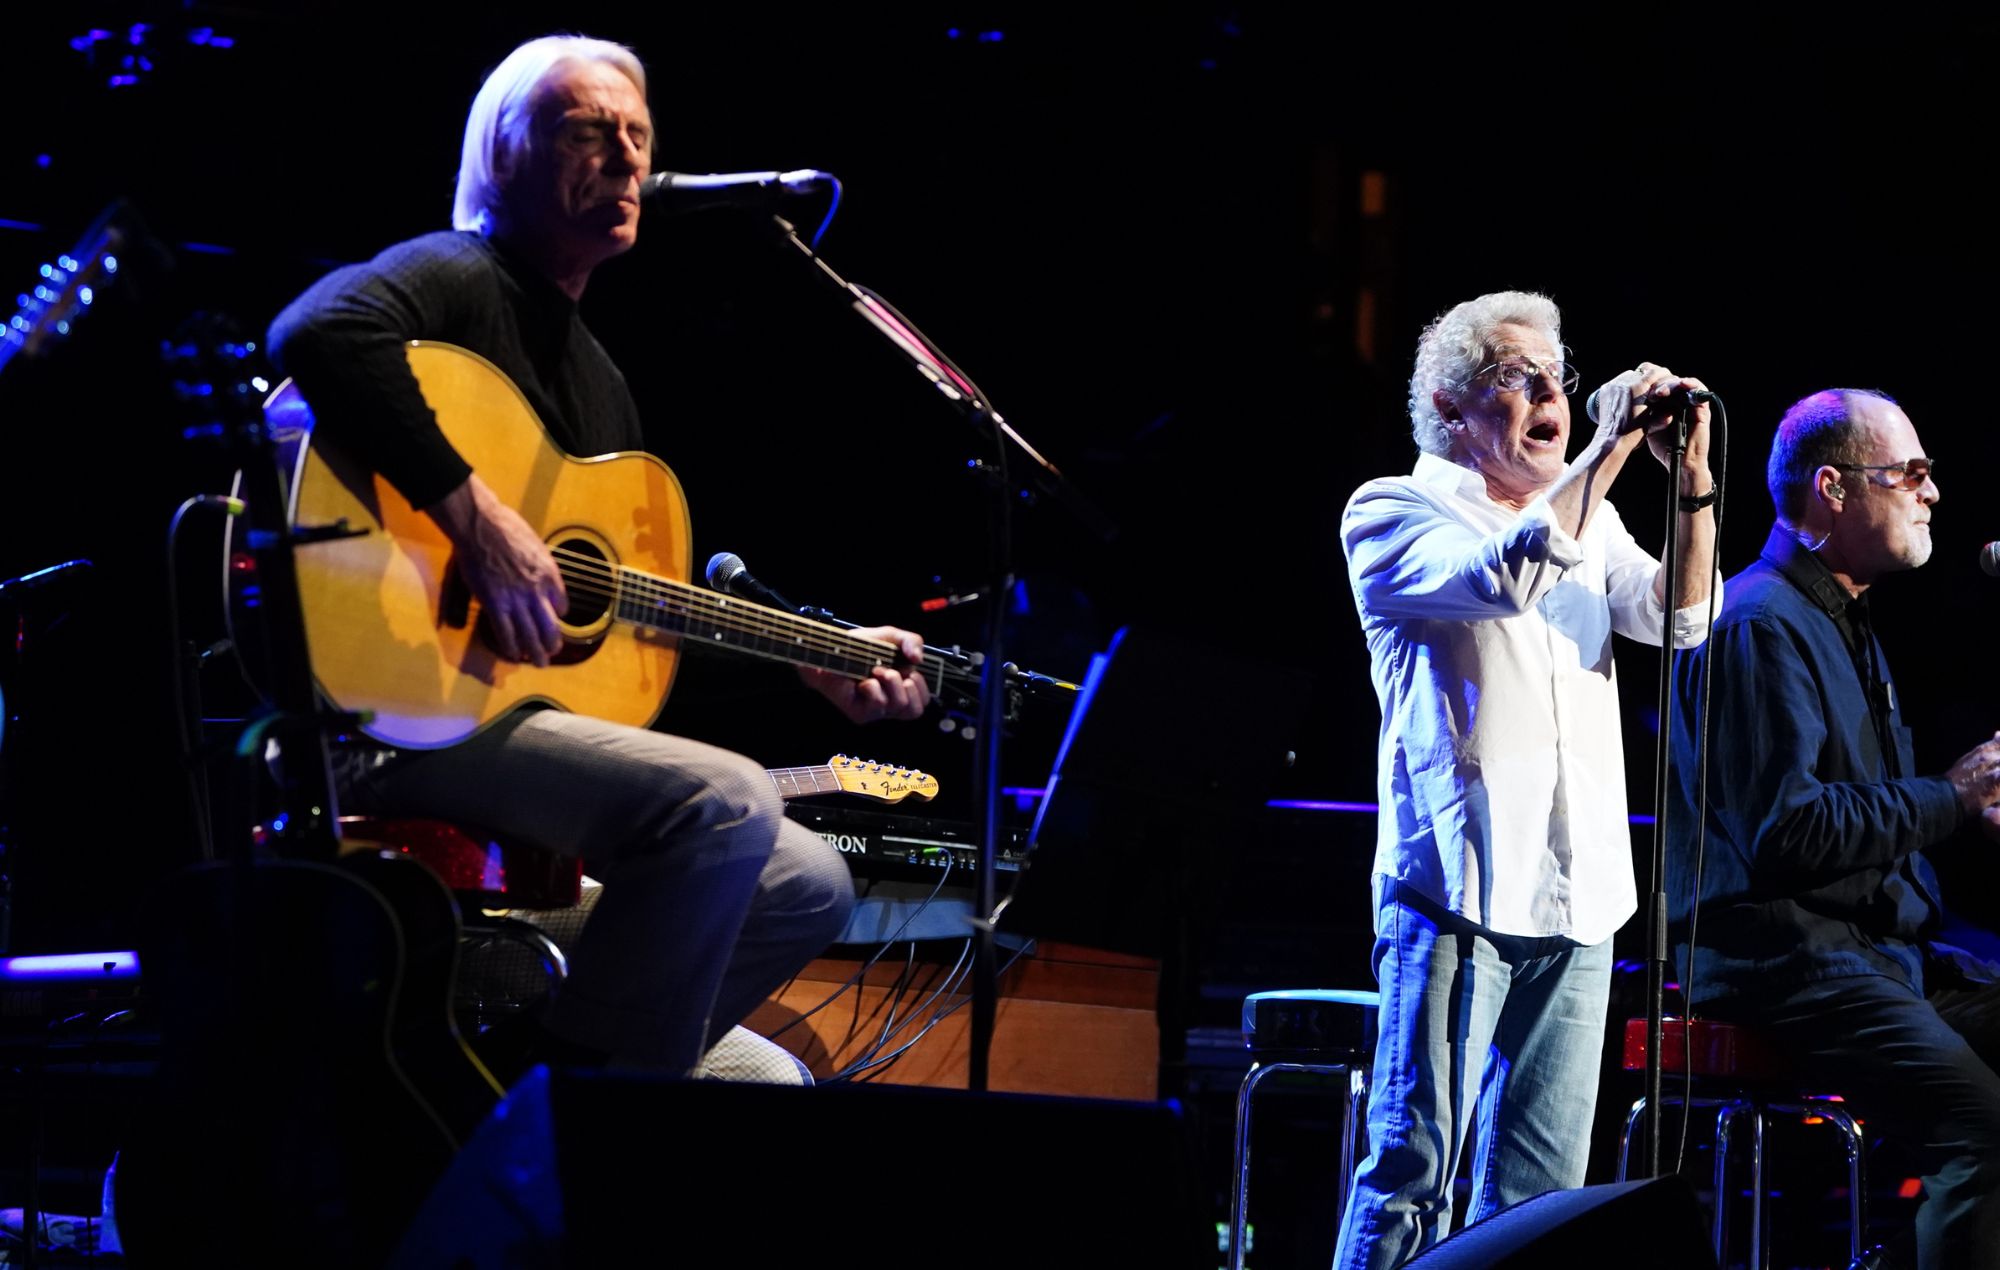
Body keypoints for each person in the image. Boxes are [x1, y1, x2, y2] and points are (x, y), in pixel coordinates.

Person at [266, 34, 931, 1077]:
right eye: (588, 130)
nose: (625, 156)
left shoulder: (600, 381)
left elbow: (610, 619)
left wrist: (815, 653)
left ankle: (532, 1077)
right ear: (504, 154)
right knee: (725, 799)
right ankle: (571, 1126)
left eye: (636, 133)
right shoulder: (454, 275)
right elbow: (318, 330)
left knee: (805, 886)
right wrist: (482, 526)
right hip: (387, 719)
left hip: (508, 723)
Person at [1332, 290, 1720, 1269]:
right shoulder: (1391, 509)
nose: (1552, 393)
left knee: (1540, 1201)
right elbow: (1504, 576)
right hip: (1457, 891)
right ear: (1447, 403)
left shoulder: (1594, 514)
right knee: (1411, 1173)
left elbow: (1675, 619)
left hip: (1582, 897)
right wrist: (1607, 453)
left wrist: (1691, 487)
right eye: (1518, 376)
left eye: (1558, 375)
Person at [1666, 388, 2000, 1269]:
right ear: (1834, 488)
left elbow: (1867, 822)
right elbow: (1789, 833)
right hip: (1786, 964)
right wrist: (1951, 797)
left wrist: (1967, 810)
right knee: (1983, 1134)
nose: (1932, 494)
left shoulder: (1840, 623)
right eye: (1911, 474)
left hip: (1875, 954)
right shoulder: (1759, 624)